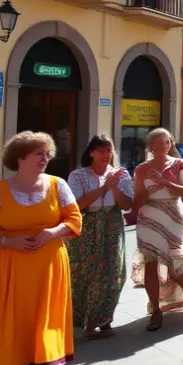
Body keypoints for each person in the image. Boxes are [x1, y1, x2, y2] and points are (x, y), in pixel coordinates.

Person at [0, 132, 82, 365]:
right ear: (20, 157)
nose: (46, 158)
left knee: (46, 315)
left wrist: (52, 232)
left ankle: (44, 364)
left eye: (47, 153)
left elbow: (74, 220)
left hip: (50, 264)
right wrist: (10, 242)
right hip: (11, 267)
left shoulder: (58, 185)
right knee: (13, 318)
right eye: (39, 154)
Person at [133, 129, 183, 330]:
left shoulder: (179, 164)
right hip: (148, 217)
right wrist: (143, 191)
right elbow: (136, 201)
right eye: (160, 142)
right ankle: (155, 310)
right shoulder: (141, 169)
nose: (165, 145)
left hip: (173, 216)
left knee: (174, 264)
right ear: (150, 147)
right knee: (151, 263)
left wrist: (165, 183)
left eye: (167, 141)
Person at [67, 135, 134, 339]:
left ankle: (104, 318)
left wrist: (113, 185)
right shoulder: (78, 176)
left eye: (109, 150)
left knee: (113, 272)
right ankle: (82, 317)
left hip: (111, 224)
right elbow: (78, 204)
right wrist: (104, 187)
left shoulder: (121, 175)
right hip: (87, 224)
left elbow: (127, 205)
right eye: (102, 150)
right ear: (92, 153)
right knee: (83, 272)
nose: (107, 155)